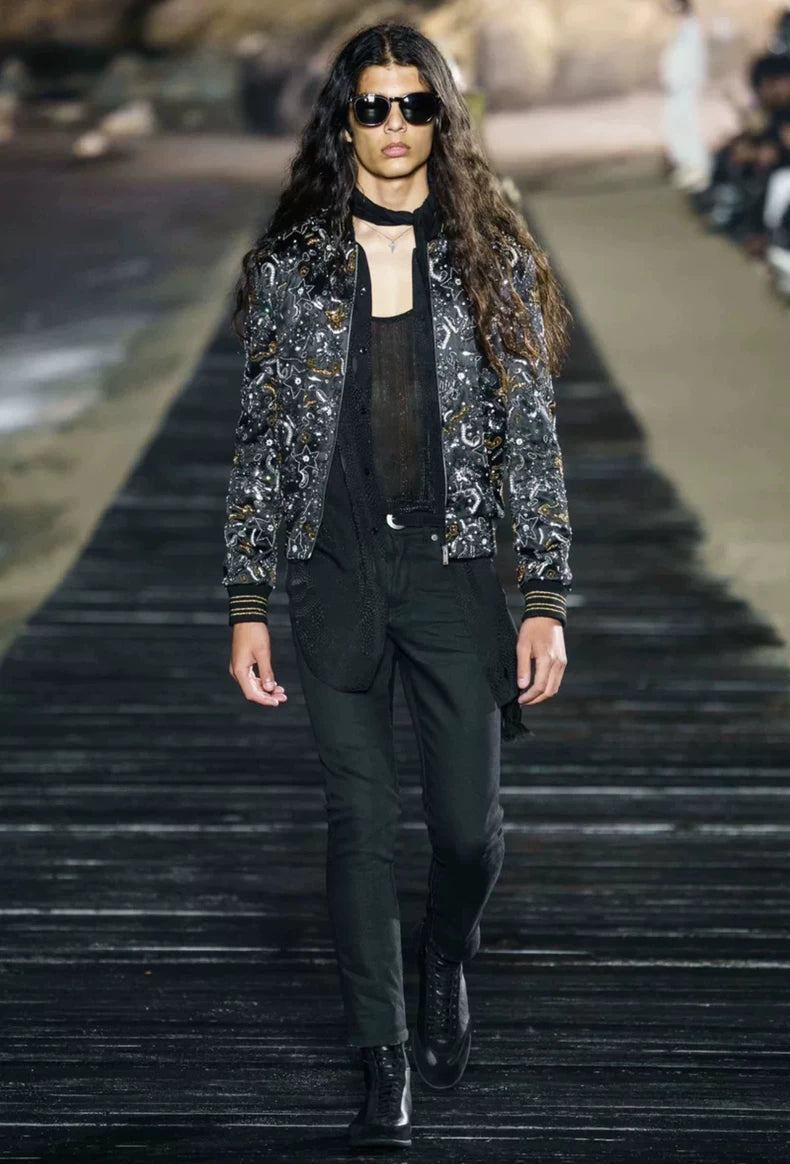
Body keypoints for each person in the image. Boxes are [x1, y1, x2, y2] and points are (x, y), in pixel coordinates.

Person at [222, 21, 573, 1152]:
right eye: (370, 106)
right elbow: (260, 443)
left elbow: (532, 439)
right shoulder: (293, 270)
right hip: (332, 571)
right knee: (359, 822)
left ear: (440, 119)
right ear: (343, 123)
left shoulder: (489, 259)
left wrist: (546, 598)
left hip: (452, 568)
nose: (391, 126)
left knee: (467, 833)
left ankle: (445, 954)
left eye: (412, 105)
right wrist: (246, 603)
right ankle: (382, 1055)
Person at [659, 0, 711, 192]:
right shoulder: (681, 29)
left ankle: (698, 169)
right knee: (675, 125)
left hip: (686, 86)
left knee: (689, 126)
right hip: (676, 87)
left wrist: (688, 82)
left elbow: (694, 61)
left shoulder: (691, 28)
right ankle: (686, 165)